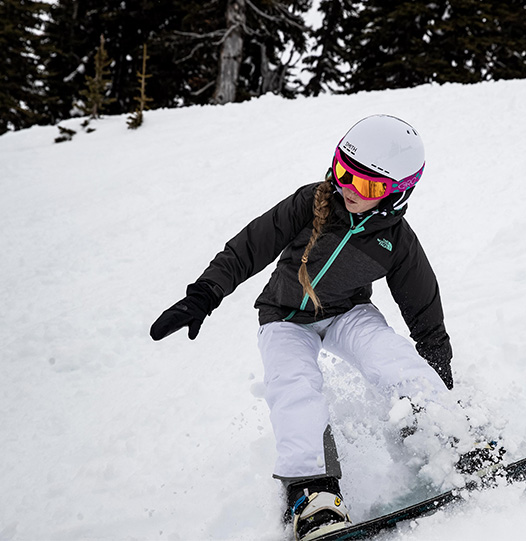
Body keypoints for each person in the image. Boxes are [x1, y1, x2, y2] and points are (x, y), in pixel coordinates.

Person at [150, 114, 499, 541]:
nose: (349, 187)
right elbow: (248, 246)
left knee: (394, 361)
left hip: (347, 312)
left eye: (367, 185)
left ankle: (457, 438)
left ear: (397, 193)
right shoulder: (308, 203)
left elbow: (422, 302)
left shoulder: (396, 240)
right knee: (293, 386)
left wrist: (435, 365)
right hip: (283, 317)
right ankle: (311, 493)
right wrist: (205, 293)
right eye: (342, 171)